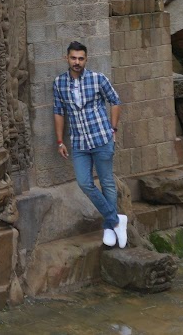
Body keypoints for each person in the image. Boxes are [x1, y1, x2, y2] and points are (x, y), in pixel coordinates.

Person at [52, 39, 125, 248]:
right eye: (73, 58)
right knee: (85, 183)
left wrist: (113, 129)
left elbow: (115, 100)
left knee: (107, 183)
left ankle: (109, 228)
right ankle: (116, 219)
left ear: (86, 59)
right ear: (66, 58)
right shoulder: (59, 83)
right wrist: (59, 141)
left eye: (81, 58)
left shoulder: (97, 79)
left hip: (102, 138)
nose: (77, 62)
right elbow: (58, 112)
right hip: (79, 143)